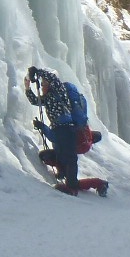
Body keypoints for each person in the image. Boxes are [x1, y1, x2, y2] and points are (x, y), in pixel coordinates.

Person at [25, 66, 96, 195]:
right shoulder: (47, 98)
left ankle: (79, 185)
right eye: (42, 84)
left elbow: (53, 78)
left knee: (69, 158)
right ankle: (65, 174)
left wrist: (38, 71)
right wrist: (28, 87)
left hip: (67, 129)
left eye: (45, 83)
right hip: (58, 129)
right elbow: (35, 101)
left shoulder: (60, 91)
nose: (43, 85)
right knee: (55, 155)